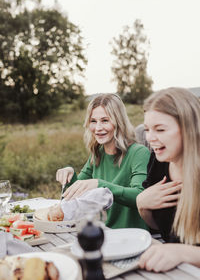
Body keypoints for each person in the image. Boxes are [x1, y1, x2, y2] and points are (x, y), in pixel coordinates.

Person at [53, 93, 150, 229]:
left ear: (118, 122)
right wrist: (70, 174)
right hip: (102, 232)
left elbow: (140, 196)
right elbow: (79, 190)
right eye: (93, 121)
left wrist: (100, 185)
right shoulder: (98, 153)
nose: (98, 128)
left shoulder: (138, 153)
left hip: (131, 237)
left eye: (105, 120)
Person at [136, 87, 200, 272]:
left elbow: (177, 247)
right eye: (147, 129)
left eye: (160, 129)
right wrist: (142, 205)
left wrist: (183, 253)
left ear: (189, 129)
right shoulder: (158, 163)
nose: (150, 138)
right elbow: (166, 231)